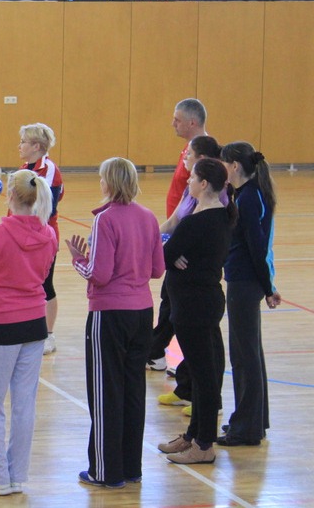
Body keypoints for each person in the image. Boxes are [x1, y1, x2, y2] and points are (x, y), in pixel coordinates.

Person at [66, 157, 164, 488]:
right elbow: (157, 269)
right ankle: (131, 467)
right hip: (142, 313)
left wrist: (78, 261)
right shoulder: (148, 217)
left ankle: (105, 471)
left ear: (108, 182)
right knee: (134, 389)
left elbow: (100, 274)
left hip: (109, 314)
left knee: (105, 392)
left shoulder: (105, 220)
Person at [0, 169, 56, 496]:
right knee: (24, 403)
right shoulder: (49, 234)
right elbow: (41, 275)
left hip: (0, 326)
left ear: (11, 195)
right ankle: (17, 475)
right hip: (35, 324)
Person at [157, 158, 236, 464]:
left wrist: (171, 254)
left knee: (204, 377)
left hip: (194, 306)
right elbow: (172, 252)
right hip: (204, 303)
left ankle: (204, 445)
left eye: (192, 178)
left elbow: (163, 253)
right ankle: (193, 435)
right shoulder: (222, 216)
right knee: (205, 372)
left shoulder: (196, 222)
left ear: (204, 184)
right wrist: (173, 253)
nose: (188, 181)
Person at [155, 135, 225, 413]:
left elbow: (204, 241)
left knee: (206, 347)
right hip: (182, 282)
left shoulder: (216, 206)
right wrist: (154, 240)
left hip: (199, 286)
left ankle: (208, 404)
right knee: (189, 340)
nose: (184, 160)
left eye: (188, 156)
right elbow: (173, 223)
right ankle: (186, 389)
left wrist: (171, 251)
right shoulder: (190, 195)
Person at [218, 141, 280, 447]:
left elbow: (257, 246)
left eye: (224, 164)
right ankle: (253, 420)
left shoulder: (249, 198)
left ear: (234, 166)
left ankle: (247, 427)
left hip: (245, 283)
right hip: (244, 280)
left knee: (245, 356)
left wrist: (268, 287)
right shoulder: (246, 194)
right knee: (248, 352)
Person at [148, 98, 209, 372]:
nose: (173, 123)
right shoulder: (189, 149)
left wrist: (181, 244)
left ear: (192, 122)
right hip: (176, 233)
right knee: (170, 296)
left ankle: (160, 352)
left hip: (185, 238)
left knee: (175, 299)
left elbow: (199, 205)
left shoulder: (203, 154)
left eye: (177, 119)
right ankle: (156, 350)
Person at [16, 123, 64, 355]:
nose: (19, 146)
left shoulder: (50, 170)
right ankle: (27, 328)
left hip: (43, 238)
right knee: (23, 283)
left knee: (45, 285)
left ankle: (48, 334)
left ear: (36, 146)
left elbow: (48, 208)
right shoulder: (24, 168)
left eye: (23, 142)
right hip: (21, 236)